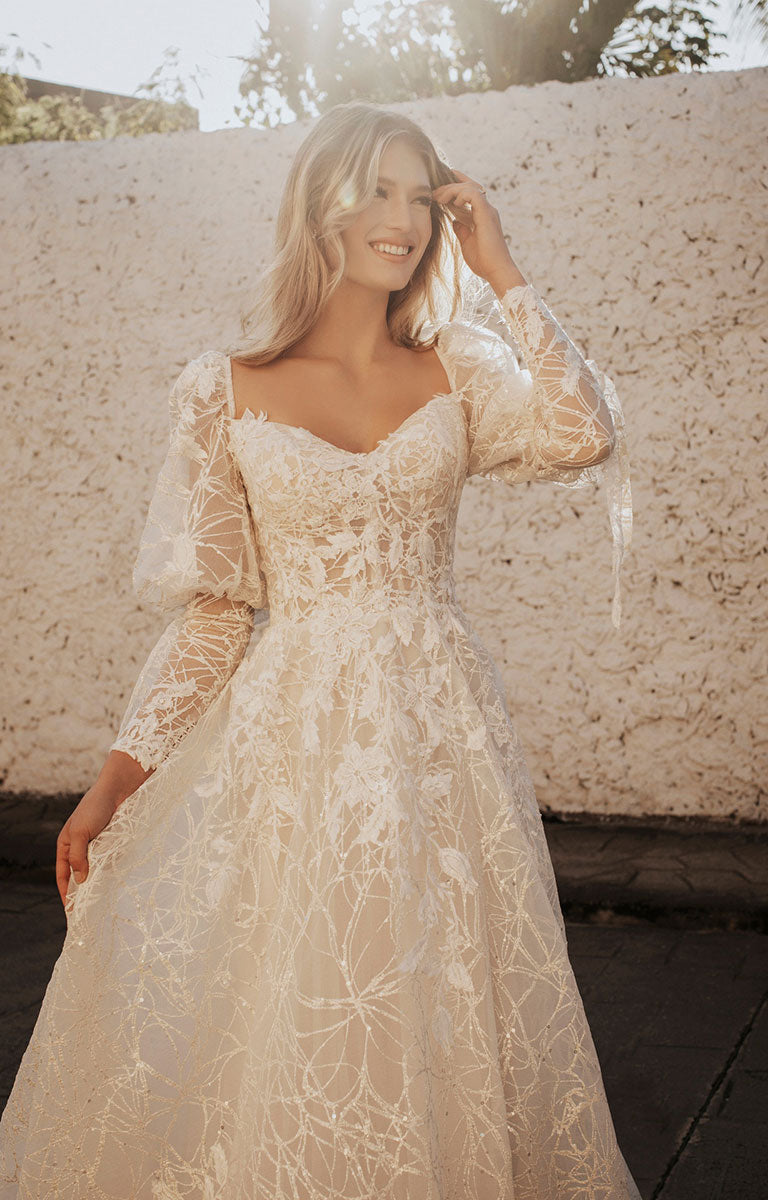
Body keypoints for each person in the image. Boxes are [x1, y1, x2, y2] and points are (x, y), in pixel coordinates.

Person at [0, 101, 637, 1199]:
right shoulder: (225, 388)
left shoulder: (458, 366)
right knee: (298, 993)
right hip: (288, 746)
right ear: (321, 206)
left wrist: (500, 265)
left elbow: (586, 430)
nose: (401, 218)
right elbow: (212, 616)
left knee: (429, 988)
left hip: (437, 735)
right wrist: (112, 786)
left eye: (418, 195)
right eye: (375, 190)